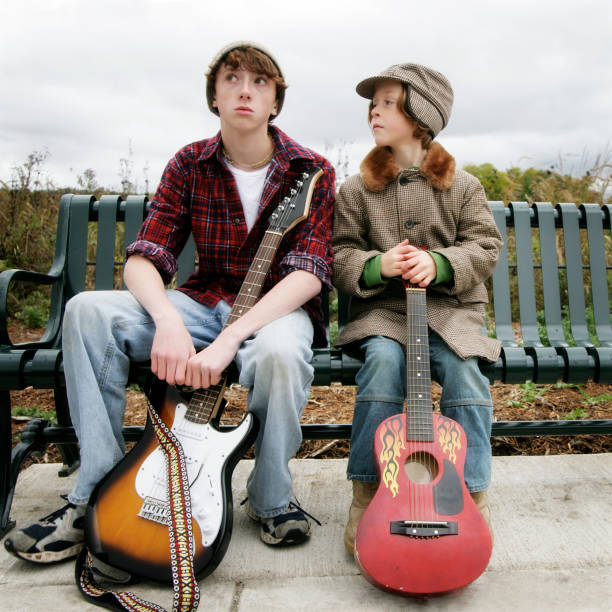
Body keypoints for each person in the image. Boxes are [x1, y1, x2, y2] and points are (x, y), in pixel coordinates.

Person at [6, 41, 335, 563]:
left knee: (279, 353)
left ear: (276, 102)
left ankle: (271, 497)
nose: (245, 90)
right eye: (231, 79)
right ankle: (97, 489)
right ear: (214, 97)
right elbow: (146, 255)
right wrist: (166, 321)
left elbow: (308, 274)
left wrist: (229, 341)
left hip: (275, 307)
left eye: (260, 82)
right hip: (201, 301)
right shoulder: (189, 162)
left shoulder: (309, 169)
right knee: (87, 311)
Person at [331, 63, 502, 554]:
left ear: (420, 115)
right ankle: (368, 491)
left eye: (388, 102)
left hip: (451, 314)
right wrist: (377, 264)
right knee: (382, 364)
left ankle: (469, 495)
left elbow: (485, 246)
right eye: (373, 103)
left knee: (466, 374)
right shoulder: (357, 190)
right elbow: (340, 253)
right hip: (383, 313)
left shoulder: (462, 186)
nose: (375, 111)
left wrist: (442, 263)